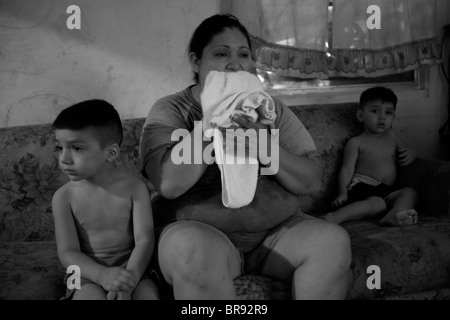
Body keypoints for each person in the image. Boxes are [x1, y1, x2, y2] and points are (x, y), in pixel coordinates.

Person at [139, 14, 351, 300]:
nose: (234, 63)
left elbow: (311, 181)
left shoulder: (269, 108)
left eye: (243, 54)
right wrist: (214, 120)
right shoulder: (172, 110)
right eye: (221, 53)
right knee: (193, 250)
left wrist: (263, 145)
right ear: (195, 62)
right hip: (200, 233)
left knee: (332, 242)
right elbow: (169, 184)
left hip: (273, 233)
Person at [51, 99, 159, 300]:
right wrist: (101, 275)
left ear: (110, 153)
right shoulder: (63, 197)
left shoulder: (135, 188)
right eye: (59, 148)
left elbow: (144, 240)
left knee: (147, 296)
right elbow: (68, 252)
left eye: (76, 148)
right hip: (83, 270)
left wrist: (130, 278)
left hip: (132, 265)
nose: (64, 159)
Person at [324, 87, 419, 226]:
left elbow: (405, 152)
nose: (382, 117)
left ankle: (394, 215)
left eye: (388, 112)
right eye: (375, 111)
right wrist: (342, 193)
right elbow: (346, 170)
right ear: (361, 116)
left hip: (387, 190)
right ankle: (335, 217)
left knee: (410, 193)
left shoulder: (392, 136)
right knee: (378, 204)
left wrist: (413, 153)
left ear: (394, 117)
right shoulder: (356, 142)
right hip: (363, 187)